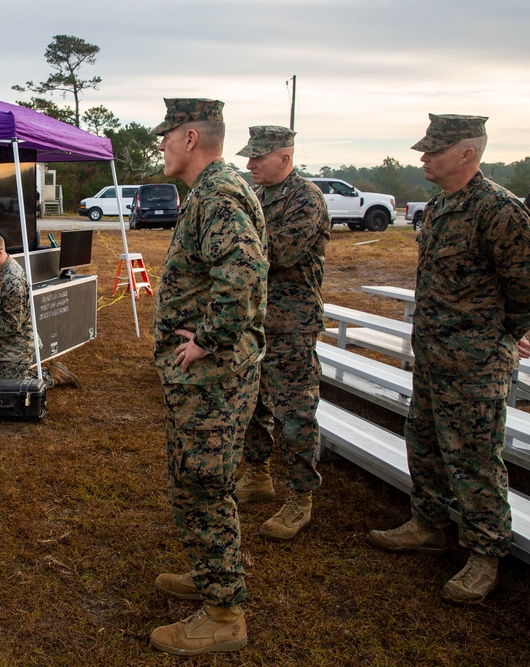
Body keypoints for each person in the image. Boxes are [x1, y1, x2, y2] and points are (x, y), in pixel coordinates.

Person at [367, 114, 530, 605]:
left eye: (434, 150)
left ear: (467, 153)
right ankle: (428, 524)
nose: (423, 156)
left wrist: (502, 336)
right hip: (432, 355)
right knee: (423, 441)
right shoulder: (442, 205)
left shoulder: (500, 210)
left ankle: (485, 553)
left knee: (473, 458)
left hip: (475, 366)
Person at [148, 98, 268, 656]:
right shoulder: (213, 191)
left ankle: (224, 613)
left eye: (167, 136)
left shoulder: (218, 194)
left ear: (191, 137)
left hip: (213, 378)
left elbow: (240, 271)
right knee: (196, 480)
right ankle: (209, 571)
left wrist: (209, 341)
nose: (162, 146)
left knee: (203, 484)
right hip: (207, 379)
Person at [234, 125, 331, 541]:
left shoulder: (306, 198)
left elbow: (280, 252)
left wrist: (233, 244)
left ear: (284, 159)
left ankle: (301, 497)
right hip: (255, 321)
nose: (250, 164)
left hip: (291, 324)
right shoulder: (258, 196)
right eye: (249, 157)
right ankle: (257, 475)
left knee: (295, 414)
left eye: (258, 157)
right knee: (253, 405)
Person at [0, 230, 81, 388]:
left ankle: (53, 376)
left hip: (16, 344)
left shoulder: (13, 281)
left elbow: (12, 324)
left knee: (7, 387)